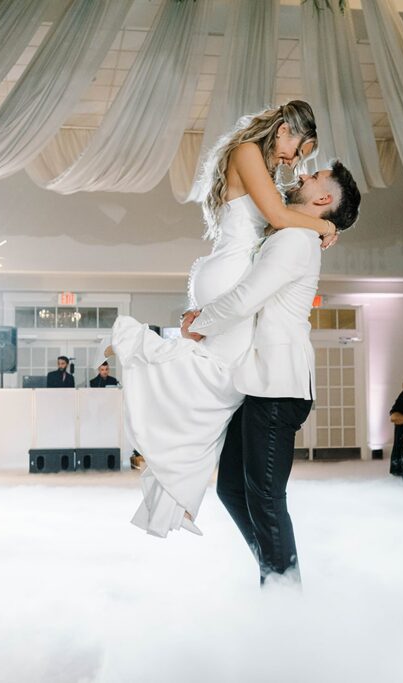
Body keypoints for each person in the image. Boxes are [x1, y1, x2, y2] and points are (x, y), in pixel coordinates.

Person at [105, 101, 337, 538]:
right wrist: (324, 227)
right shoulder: (248, 151)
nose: (293, 162)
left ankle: (176, 479)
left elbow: (277, 222)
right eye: (295, 150)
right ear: (284, 129)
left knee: (221, 389)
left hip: (226, 274)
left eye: (301, 160)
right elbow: (275, 217)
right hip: (230, 275)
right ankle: (164, 446)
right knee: (212, 384)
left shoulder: (258, 163)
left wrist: (311, 224)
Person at [184, 161, 362, 584]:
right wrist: (325, 227)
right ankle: (276, 571)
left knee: (265, 498)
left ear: (323, 200)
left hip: (278, 387)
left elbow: (247, 298)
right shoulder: (297, 232)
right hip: (258, 382)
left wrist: (200, 324)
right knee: (231, 488)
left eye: (313, 177)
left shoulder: (298, 239)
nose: (301, 175)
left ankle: (283, 591)